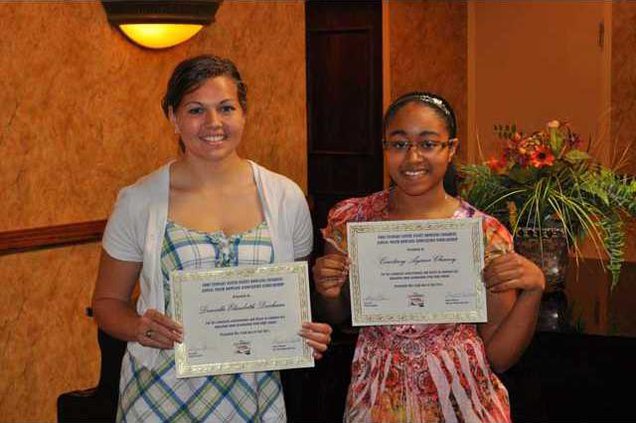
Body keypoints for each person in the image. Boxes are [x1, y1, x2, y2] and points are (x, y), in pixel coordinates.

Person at [92, 55, 332, 423]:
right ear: (173, 118)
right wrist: (138, 328)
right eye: (195, 110)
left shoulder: (286, 197)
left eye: (225, 108)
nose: (213, 123)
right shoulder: (138, 201)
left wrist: (306, 332)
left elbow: (292, 301)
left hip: (255, 397)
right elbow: (108, 302)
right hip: (159, 395)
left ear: (243, 113)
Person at [313, 92, 545, 423]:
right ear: (384, 148)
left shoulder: (483, 235)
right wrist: (328, 291)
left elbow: (499, 356)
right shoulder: (353, 220)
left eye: (428, 143)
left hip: (463, 401)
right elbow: (336, 316)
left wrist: (534, 290)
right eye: (398, 144)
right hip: (379, 399)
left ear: (451, 149)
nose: (412, 158)